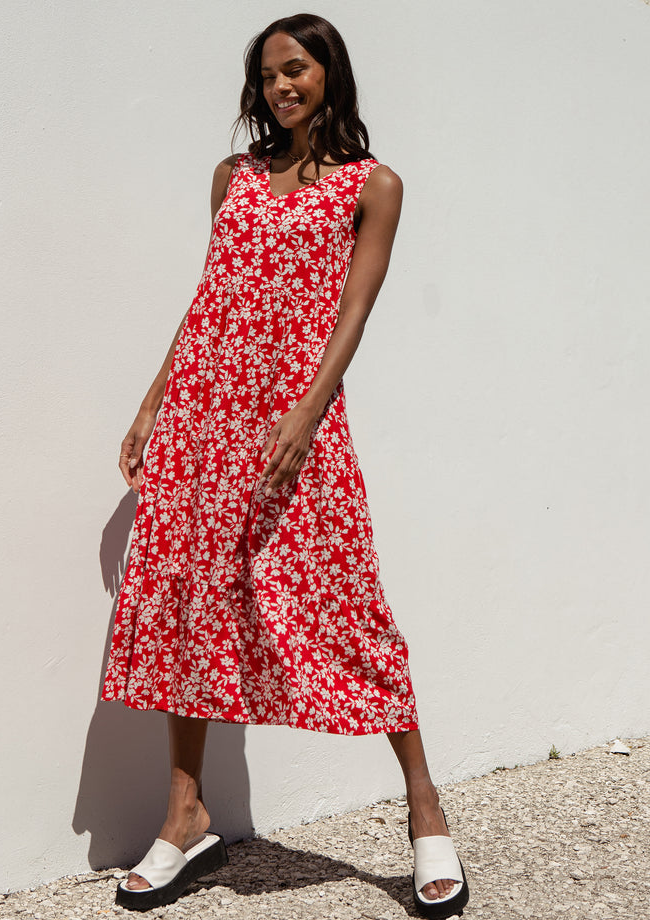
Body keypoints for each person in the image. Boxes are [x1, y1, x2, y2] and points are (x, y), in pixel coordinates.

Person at [102, 13, 469, 919]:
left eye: (295, 69)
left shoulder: (370, 186)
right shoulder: (233, 179)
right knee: (194, 602)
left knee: (345, 601)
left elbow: (356, 311)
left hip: (289, 422)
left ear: (328, 73)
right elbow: (211, 297)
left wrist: (308, 412)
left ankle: (425, 807)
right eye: (267, 75)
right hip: (203, 416)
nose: (280, 87)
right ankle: (185, 811)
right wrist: (155, 401)